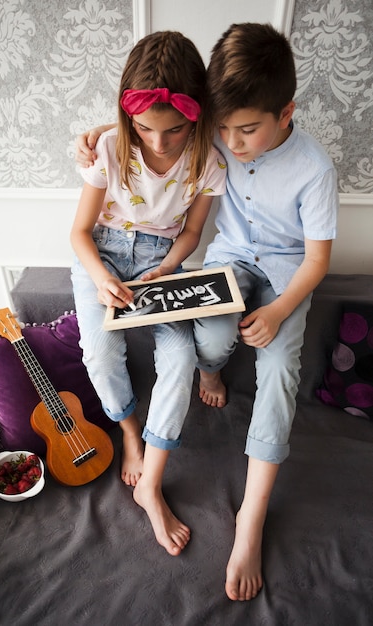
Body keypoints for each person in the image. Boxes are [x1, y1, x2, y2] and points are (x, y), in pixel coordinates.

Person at [75, 23, 338, 602]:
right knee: (210, 345)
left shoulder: (313, 168)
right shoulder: (208, 134)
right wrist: (97, 134)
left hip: (290, 274)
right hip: (228, 262)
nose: (233, 142)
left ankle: (250, 518)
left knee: (277, 371)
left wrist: (279, 313)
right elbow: (149, 128)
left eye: (246, 130)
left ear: (285, 112)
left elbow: (318, 259)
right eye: (223, 128)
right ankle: (212, 372)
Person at [70, 31, 226, 558]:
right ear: (127, 119)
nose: (159, 144)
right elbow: (78, 233)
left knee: (181, 355)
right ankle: (130, 434)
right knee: (99, 349)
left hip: (161, 264)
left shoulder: (209, 161)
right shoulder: (111, 148)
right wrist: (99, 279)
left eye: (175, 130)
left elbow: (191, 233)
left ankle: (152, 484)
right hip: (104, 255)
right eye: (145, 129)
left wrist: (166, 269)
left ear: (196, 117)